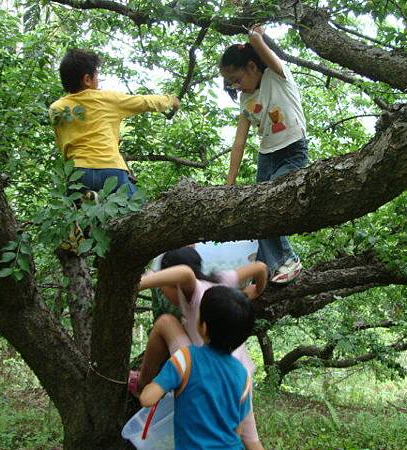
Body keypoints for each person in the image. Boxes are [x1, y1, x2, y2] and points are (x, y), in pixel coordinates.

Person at [135, 246, 267, 450]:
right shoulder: (221, 281)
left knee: (165, 322)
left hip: (202, 367)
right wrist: (257, 290)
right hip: (239, 375)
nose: (163, 291)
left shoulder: (191, 289)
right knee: (251, 440)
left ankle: (141, 382)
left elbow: (186, 274)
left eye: (164, 286)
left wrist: (140, 282)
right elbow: (260, 267)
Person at [220, 26, 309, 284]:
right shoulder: (245, 100)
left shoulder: (277, 75)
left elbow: (261, 48)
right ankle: (267, 264)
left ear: (251, 66)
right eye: (231, 84)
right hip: (266, 156)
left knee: (269, 205)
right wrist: (229, 182)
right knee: (258, 210)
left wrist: (255, 37)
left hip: (292, 151)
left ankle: (287, 259)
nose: (236, 87)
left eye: (237, 79)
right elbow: (239, 142)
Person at [49, 48, 180, 198]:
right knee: (138, 211)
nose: (99, 79)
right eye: (97, 75)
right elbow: (145, 101)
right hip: (110, 171)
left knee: (81, 219)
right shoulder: (107, 99)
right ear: (87, 79)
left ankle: (90, 200)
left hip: (78, 173)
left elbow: (62, 144)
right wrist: (171, 100)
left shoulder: (56, 109)